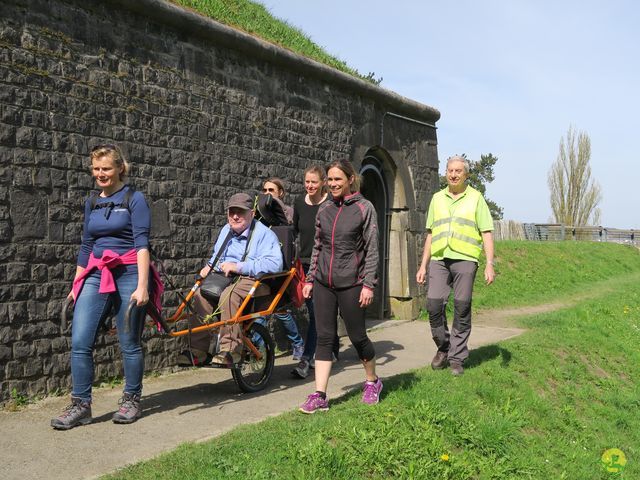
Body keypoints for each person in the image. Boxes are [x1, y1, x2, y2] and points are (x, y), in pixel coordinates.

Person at [51, 144, 159, 430]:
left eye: (106, 168)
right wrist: (76, 283)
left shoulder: (135, 199)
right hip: (96, 273)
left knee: (129, 341)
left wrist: (143, 286)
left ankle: (132, 399)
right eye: (96, 169)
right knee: (79, 341)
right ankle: (81, 405)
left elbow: (142, 245)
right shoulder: (92, 203)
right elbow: (86, 246)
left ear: (120, 168)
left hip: (129, 273)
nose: (100, 174)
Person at [299, 160, 382, 414]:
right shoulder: (324, 210)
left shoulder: (364, 208)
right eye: (330, 180)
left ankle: (372, 381)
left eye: (338, 179)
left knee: (357, 337)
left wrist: (369, 285)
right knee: (324, 337)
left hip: (352, 283)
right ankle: (320, 395)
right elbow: (318, 247)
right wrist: (311, 279)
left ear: (350, 179)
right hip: (324, 282)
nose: (333, 184)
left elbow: (372, 250)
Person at [177, 193, 283, 367]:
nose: (235, 216)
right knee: (199, 296)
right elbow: (217, 257)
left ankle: (231, 350)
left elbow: (275, 264)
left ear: (252, 213)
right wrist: (209, 267)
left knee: (229, 295)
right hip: (225, 277)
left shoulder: (264, 234)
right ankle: (198, 350)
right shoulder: (226, 230)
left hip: (254, 278)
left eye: (240, 212)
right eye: (232, 211)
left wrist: (239, 266)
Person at [416, 155, 496, 376]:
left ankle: (457, 358)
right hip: (439, 259)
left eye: (458, 171)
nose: (453, 175)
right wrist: (423, 265)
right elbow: (430, 234)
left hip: (466, 259)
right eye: (450, 170)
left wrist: (489, 264)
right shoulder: (437, 199)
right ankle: (444, 346)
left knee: (462, 307)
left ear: (466, 174)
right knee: (433, 305)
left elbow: (486, 233)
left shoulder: (476, 198)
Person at [291, 165, 339, 379]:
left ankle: (307, 357)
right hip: (304, 263)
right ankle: (332, 349)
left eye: (314, 182)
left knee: (316, 312)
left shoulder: (330, 204)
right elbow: (293, 232)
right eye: (307, 182)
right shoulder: (300, 203)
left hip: (325, 263)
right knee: (320, 311)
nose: (309, 186)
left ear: (323, 184)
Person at [259, 178, 305, 360]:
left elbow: (289, 228)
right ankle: (259, 347)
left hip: (282, 268)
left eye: (271, 190)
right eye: (264, 190)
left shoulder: (288, 211)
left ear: (281, 193)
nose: (267, 193)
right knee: (262, 310)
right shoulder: (260, 213)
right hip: (263, 267)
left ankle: (297, 343)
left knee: (279, 310)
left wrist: (275, 204)